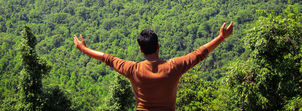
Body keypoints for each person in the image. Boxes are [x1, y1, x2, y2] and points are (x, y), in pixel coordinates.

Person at [74, 21, 233, 111]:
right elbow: (200, 53)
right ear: (158, 47)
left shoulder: (133, 70)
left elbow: (107, 58)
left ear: (140, 49)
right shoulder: (174, 67)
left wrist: (83, 48)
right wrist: (221, 37)